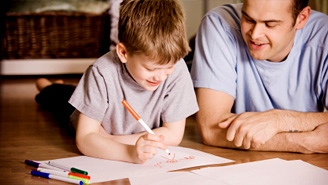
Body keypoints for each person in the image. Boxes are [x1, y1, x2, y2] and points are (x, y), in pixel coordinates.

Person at [35, 0, 198, 163]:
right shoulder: (101, 72)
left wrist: (109, 140)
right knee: (61, 100)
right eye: (151, 69)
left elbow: (174, 135)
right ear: (123, 52)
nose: (161, 77)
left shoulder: (177, 69)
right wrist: (129, 152)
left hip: (105, 125)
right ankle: (47, 86)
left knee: (75, 92)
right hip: (85, 112)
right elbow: (85, 139)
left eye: (168, 67)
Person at [191, 0, 328, 153]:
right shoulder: (218, 23)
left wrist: (281, 120)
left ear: (301, 18)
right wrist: (302, 141)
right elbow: (211, 130)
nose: (255, 35)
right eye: (248, 19)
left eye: (270, 24)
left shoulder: (324, 35)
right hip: (241, 162)